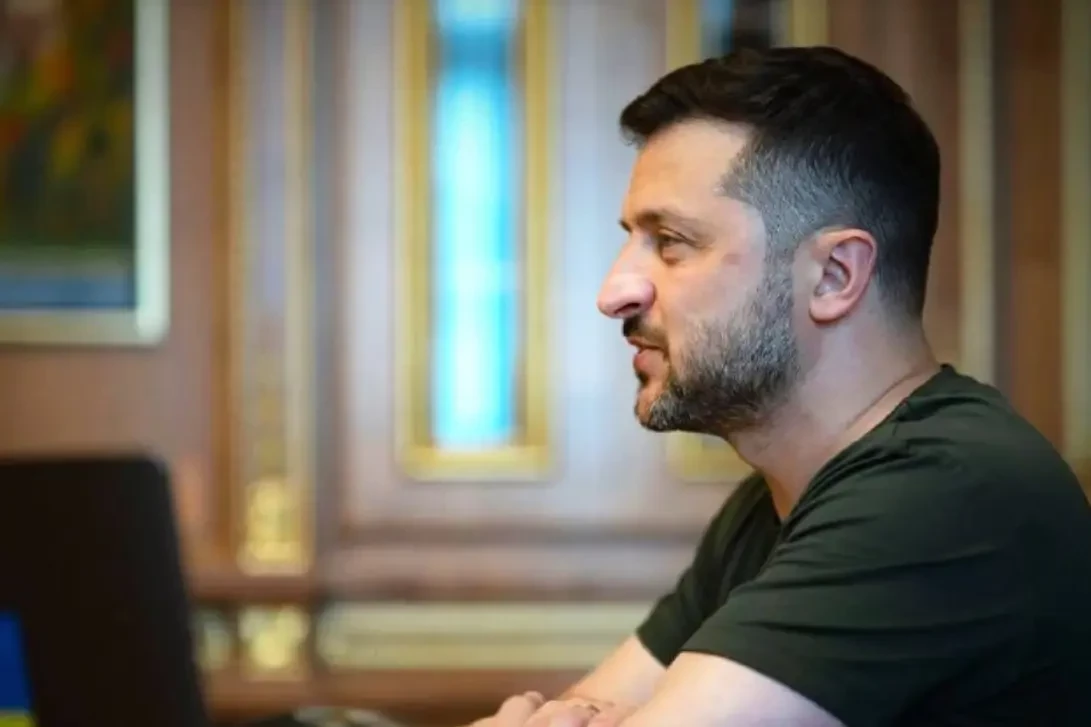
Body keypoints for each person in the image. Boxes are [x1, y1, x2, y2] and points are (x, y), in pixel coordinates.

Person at [468, 45, 1091, 727]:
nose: (614, 290)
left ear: (833, 275)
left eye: (670, 241)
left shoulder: (946, 493)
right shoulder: (773, 504)